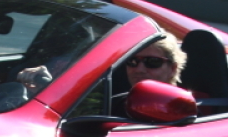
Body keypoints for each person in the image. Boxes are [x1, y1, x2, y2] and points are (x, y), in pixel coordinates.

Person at [17, 32, 186, 97]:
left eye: (153, 62)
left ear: (173, 68)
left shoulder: (181, 108)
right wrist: (45, 89)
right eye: (132, 61)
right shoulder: (114, 100)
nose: (139, 69)